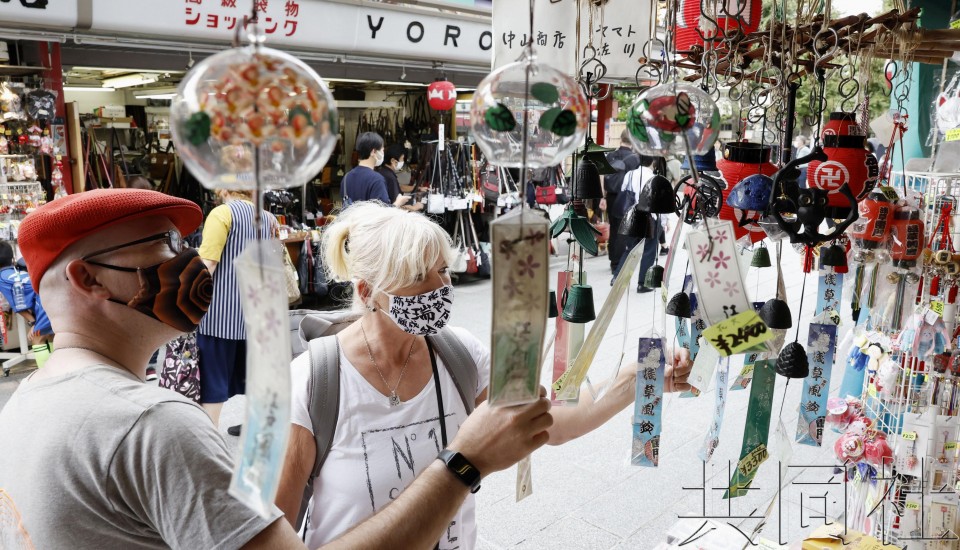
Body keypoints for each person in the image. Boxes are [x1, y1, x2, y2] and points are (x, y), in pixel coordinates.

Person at [0, 188, 553, 549]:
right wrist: (463, 463)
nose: (187, 262)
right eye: (163, 245)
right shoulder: (153, 426)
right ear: (88, 279)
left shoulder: (28, 398)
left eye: (183, 241)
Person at [275, 202, 693, 549]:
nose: (440, 287)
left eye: (442, 270)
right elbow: (272, 536)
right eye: (419, 276)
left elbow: (556, 422)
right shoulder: (314, 382)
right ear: (367, 292)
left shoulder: (461, 355)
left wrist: (639, 376)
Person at [196, 188, 278, 435]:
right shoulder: (269, 218)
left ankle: (209, 440)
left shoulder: (222, 214)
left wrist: (188, 301)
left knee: (213, 378)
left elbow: (208, 263)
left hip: (220, 314)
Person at [613, 155, 668, 293]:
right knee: (649, 250)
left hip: (632, 215)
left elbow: (624, 190)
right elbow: (659, 201)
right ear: (653, 162)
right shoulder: (654, 178)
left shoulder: (630, 174)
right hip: (650, 217)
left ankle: (617, 278)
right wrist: (664, 221)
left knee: (630, 249)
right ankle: (642, 283)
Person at [0, 241, 53, 367]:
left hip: (42, 303)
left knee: (37, 338)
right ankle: (57, 369)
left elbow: (18, 304)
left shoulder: (2, 278)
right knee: (50, 336)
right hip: (50, 297)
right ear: (12, 259)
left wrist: (33, 323)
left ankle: (46, 374)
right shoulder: (18, 270)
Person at [602, 129, 641, 273]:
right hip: (626, 196)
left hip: (610, 196)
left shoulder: (611, 155)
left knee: (613, 227)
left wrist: (602, 197)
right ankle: (617, 262)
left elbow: (603, 175)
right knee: (623, 229)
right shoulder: (635, 159)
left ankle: (612, 257)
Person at [342, 132, 411, 208]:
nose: (383, 154)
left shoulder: (346, 178)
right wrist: (398, 203)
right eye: (382, 150)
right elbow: (382, 214)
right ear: (373, 152)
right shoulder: (377, 179)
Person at [377, 143, 423, 212]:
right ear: (393, 161)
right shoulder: (390, 177)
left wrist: (418, 188)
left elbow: (399, 187)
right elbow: (396, 206)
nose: (403, 162)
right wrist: (415, 207)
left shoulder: (383, 171)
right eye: (402, 159)